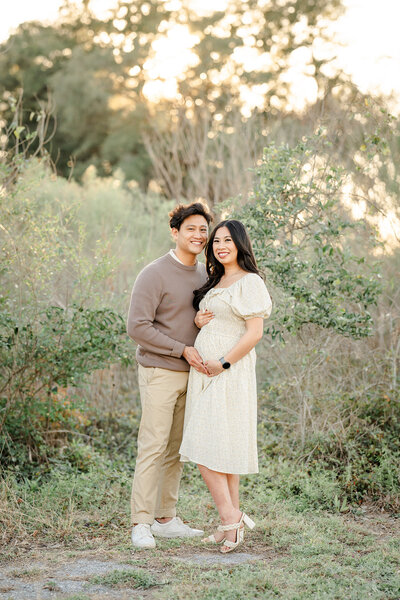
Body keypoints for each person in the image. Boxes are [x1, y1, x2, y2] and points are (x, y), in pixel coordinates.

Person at [179, 219, 272, 553]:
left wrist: (224, 363)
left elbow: (254, 333)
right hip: (204, 372)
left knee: (205, 444)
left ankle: (232, 520)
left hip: (228, 372)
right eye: (216, 240)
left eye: (227, 241)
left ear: (240, 244)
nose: (220, 246)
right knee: (221, 447)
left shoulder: (250, 282)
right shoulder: (215, 281)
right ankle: (229, 523)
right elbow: (215, 318)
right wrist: (197, 320)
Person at [127, 201, 213, 549]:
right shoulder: (154, 273)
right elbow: (137, 327)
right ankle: (141, 524)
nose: (198, 235)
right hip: (160, 371)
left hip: (193, 375)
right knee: (152, 446)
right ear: (175, 232)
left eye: (203, 229)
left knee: (176, 450)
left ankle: (165, 518)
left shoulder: (206, 274)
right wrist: (181, 349)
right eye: (191, 228)